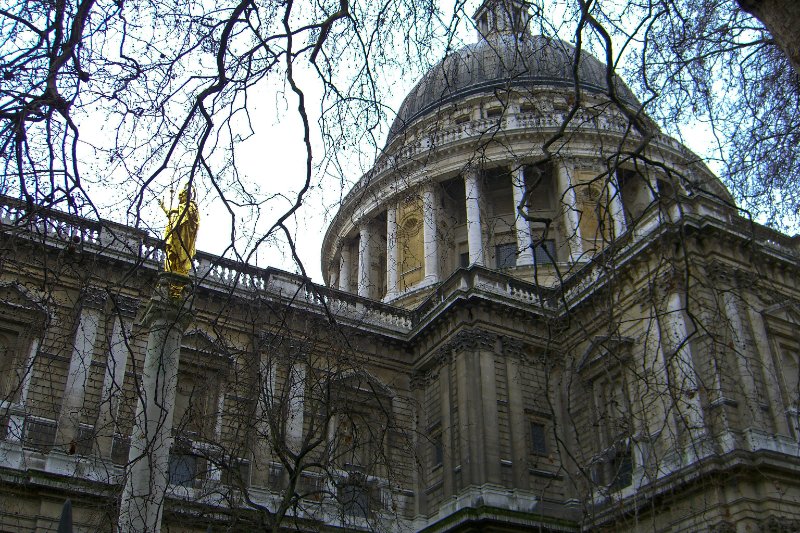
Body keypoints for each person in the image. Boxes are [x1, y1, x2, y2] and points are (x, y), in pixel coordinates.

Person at [158, 183, 199, 275]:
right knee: (174, 251)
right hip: (177, 234)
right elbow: (173, 218)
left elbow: (190, 217)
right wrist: (164, 207)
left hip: (185, 236)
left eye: (181, 197)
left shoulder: (191, 206)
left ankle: (180, 266)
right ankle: (175, 266)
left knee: (181, 252)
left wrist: (174, 211)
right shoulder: (181, 209)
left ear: (186, 196)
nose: (179, 200)